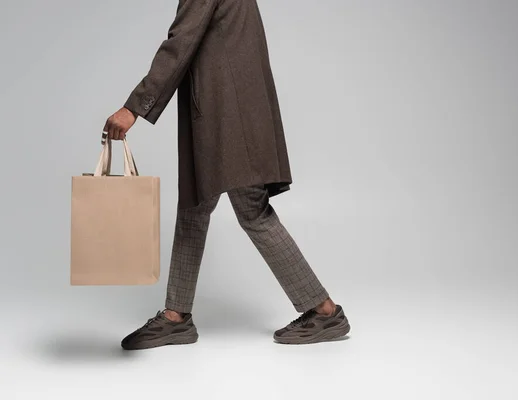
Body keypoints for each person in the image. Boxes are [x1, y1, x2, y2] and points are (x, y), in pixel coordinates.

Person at [102, 0, 350, 349]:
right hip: (228, 108)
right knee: (194, 206)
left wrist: (134, 107)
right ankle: (176, 316)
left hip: (229, 114)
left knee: (252, 210)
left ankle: (323, 311)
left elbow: (181, 41)